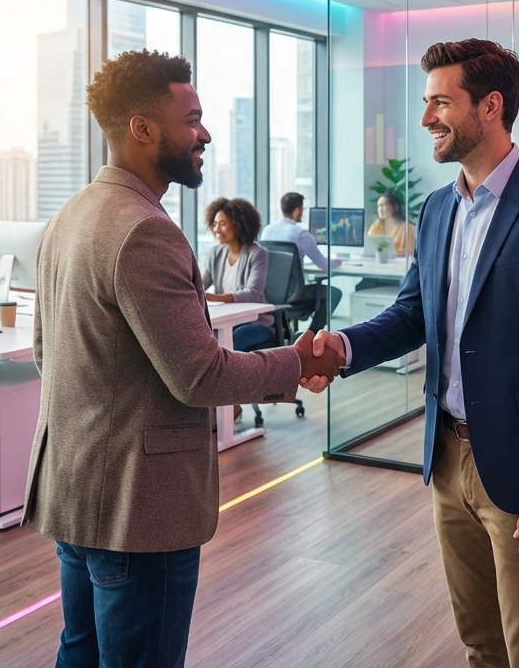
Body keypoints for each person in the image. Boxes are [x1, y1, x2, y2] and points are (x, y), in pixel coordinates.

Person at [23, 49, 340, 668]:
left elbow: (45, 353)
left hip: (76, 486)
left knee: (79, 653)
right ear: (143, 128)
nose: (205, 133)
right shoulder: (144, 230)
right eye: (192, 118)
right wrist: (294, 364)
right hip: (137, 507)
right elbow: (200, 375)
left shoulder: (72, 214)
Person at [313, 39, 519, 668]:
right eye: (426, 103)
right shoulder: (436, 208)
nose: (427, 118)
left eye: (441, 102)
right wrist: (341, 348)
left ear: (491, 106)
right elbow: (412, 316)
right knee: (480, 642)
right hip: (447, 459)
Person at [259, 192, 342, 332]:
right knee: (333, 293)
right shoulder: (301, 234)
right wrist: (338, 262)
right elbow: (323, 264)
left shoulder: (267, 230)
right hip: (294, 294)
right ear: (298, 210)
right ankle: (313, 334)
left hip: (270, 293)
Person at [201, 197, 274, 352]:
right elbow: (200, 285)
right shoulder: (216, 253)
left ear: (239, 224)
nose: (216, 230)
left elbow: (254, 293)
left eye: (222, 224)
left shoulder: (258, 253)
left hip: (254, 322)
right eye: (214, 224)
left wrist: (216, 297)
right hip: (226, 319)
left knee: (229, 343)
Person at [367, 189, 416, 257]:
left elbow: (411, 251)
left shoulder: (408, 228)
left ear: (395, 207)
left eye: (384, 205)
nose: (380, 209)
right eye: (378, 206)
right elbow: (369, 246)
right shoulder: (376, 226)